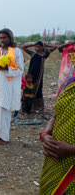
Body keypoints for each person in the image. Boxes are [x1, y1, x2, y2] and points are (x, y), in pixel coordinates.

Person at [39, 48, 75, 194]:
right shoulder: (71, 85)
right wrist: (45, 135)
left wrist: (71, 149)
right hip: (55, 161)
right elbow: (56, 115)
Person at [0, 28, 24, 145]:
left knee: (5, 108)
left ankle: (5, 137)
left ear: (10, 38)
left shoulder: (17, 51)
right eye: (0, 38)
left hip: (9, 83)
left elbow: (20, 69)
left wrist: (7, 69)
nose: (2, 40)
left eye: (4, 37)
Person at [21, 41, 57, 111]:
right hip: (30, 75)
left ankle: (37, 106)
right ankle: (28, 107)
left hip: (39, 76)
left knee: (38, 89)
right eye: (36, 46)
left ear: (42, 47)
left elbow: (55, 47)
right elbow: (23, 47)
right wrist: (32, 44)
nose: (37, 48)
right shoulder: (33, 53)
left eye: (38, 46)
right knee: (28, 89)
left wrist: (47, 45)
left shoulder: (45, 54)